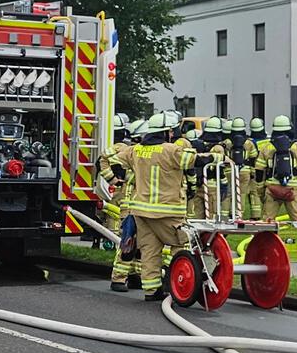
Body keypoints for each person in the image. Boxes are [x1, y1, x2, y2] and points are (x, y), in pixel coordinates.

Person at [115, 113, 219, 301]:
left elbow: (115, 161)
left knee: (149, 251)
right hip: (168, 212)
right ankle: (180, 283)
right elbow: (195, 161)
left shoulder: (135, 150)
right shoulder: (171, 150)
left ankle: (151, 291)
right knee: (181, 246)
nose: (172, 134)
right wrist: (217, 157)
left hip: (141, 212)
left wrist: (119, 178)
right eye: (171, 131)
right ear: (166, 132)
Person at [99, 113, 140, 292]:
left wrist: (112, 179)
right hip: (129, 201)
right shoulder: (124, 148)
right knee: (128, 240)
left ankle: (135, 276)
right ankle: (119, 278)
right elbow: (102, 159)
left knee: (140, 243)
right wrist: (114, 180)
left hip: (139, 203)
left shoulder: (138, 151)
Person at [256, 115, 297, 225]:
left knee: (267, 223)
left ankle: (266, 236)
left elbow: (259, 171)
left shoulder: (266, 147)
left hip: (272, 189)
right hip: (292, 189)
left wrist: (261, 191)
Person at [243, 117, 269, 221]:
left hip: (252, 170)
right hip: (264, 170)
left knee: (250, 193)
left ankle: (252, 214)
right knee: (258, 193)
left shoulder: (250, 142)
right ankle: (257, 214)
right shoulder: (268, 141)